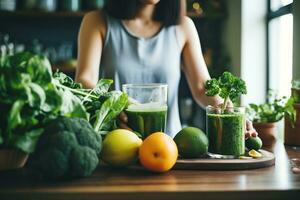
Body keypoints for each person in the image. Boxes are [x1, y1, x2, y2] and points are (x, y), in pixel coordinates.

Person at [75, 0, 257, 138]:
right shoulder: (96, 21)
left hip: (169, 147)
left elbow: (202, 87)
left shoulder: (184, 27)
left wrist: (229, 113)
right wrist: (116, 102)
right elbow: (84, 80)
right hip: (116, 143)